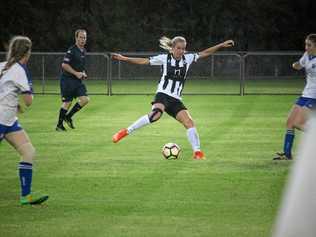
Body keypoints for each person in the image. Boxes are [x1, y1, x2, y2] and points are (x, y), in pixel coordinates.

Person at [112, 36, 234, 159]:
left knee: (189, 122)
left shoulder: (188, 58)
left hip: (176, 99)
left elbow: (205, 52)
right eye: (178, 48)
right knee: (155, 115)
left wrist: (221, 45)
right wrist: (124, 58)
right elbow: (144, 61)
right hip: (163, 94)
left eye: (183, 48)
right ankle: (126, 131)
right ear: (172, 48)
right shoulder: (164, 58)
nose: (181, 51)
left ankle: (197, 153)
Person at [0, 36, 49, 205]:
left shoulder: (3, 67)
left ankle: (26, 196)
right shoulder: (20, 70)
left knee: (28, 151)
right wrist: (28, 95)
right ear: (27, 53)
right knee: (28, 152)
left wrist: (13, 104)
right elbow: (29, 101)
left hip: (8, 121)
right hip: (1, 120)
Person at [274, 34, 316, 160]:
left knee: (298, 123)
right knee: (290, 122)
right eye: (306, 44)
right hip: (305, 95)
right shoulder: (307, 56)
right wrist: (295, 65)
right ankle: (287, 155)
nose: (306, 47)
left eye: (309, 45)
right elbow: (299, 64)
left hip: (313, 97)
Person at [56, 29, 89, 131]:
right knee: (67, 103)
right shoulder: (72, 50)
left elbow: (80, 66)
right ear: (76, 38)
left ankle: (68, 117)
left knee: (85, 100)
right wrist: (76, 73)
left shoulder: (83, 51)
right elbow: (64, 65)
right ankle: (59, 125)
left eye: (84, 37)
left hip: (77, 81)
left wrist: (83, 73)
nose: (83, 39)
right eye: (81, 37)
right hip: (67, 80)